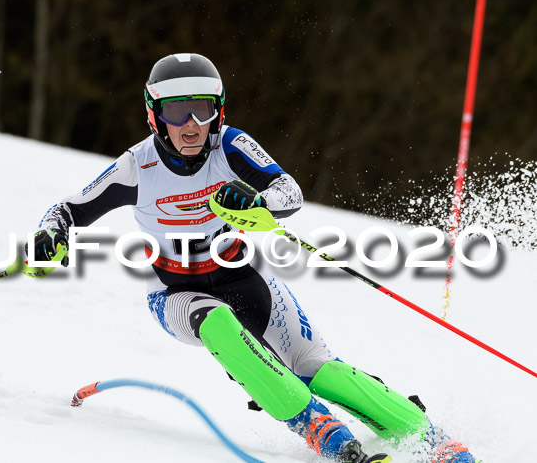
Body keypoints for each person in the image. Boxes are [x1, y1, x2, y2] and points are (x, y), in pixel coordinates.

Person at [28, 53, 478, 463]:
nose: (190, 125)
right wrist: (51, 236)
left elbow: (289, 192)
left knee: (318, 369)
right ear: (154, 115)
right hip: (175, 292)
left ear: (217, 111)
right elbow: (68, 209)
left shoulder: (230, 145)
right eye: (175, 111)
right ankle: (326, 434)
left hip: (243, 275)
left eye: (202, 110)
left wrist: (255, 202)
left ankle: (433, 440)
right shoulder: (137, 167)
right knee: (218, 324)